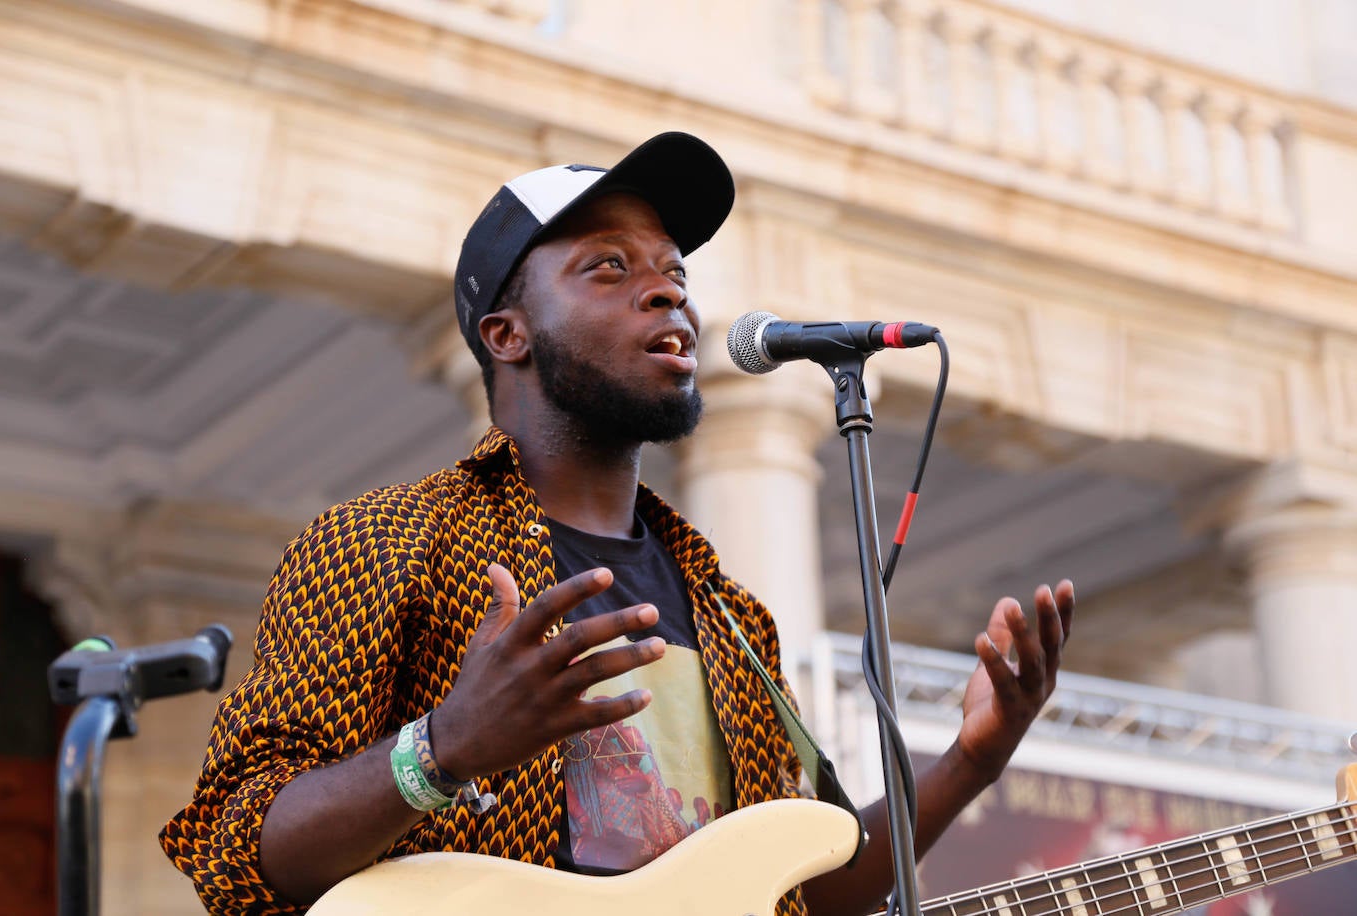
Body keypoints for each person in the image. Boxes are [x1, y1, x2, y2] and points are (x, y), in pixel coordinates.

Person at [160, 132, 1075, 916]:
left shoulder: (732, 617)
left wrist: (972, 759)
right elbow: (242, 848)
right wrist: (443, 750)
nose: (667, 292)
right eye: (610, 266)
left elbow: (807, 890)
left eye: (674, 271)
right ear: (507, 334)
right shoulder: (385, 543)